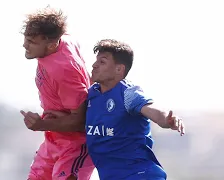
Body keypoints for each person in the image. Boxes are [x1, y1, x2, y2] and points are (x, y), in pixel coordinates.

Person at [49, 39, 185, 180]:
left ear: (119, 69)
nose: (94, 65)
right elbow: (80, 121)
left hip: (140, 175)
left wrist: (167, 120)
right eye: (96, 61)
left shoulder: (128, 94)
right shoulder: (92, 94)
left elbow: (152, 109)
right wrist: (52, 120)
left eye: (102, 62)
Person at [19, 7, 95, 180]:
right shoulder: (62, 40)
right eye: (25, 38)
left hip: (74, 145)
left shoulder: (64, 70)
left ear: (52, 44)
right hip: (53, 139)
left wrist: (41, 125)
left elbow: (81, 122)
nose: (24, 44)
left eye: (31, 41)